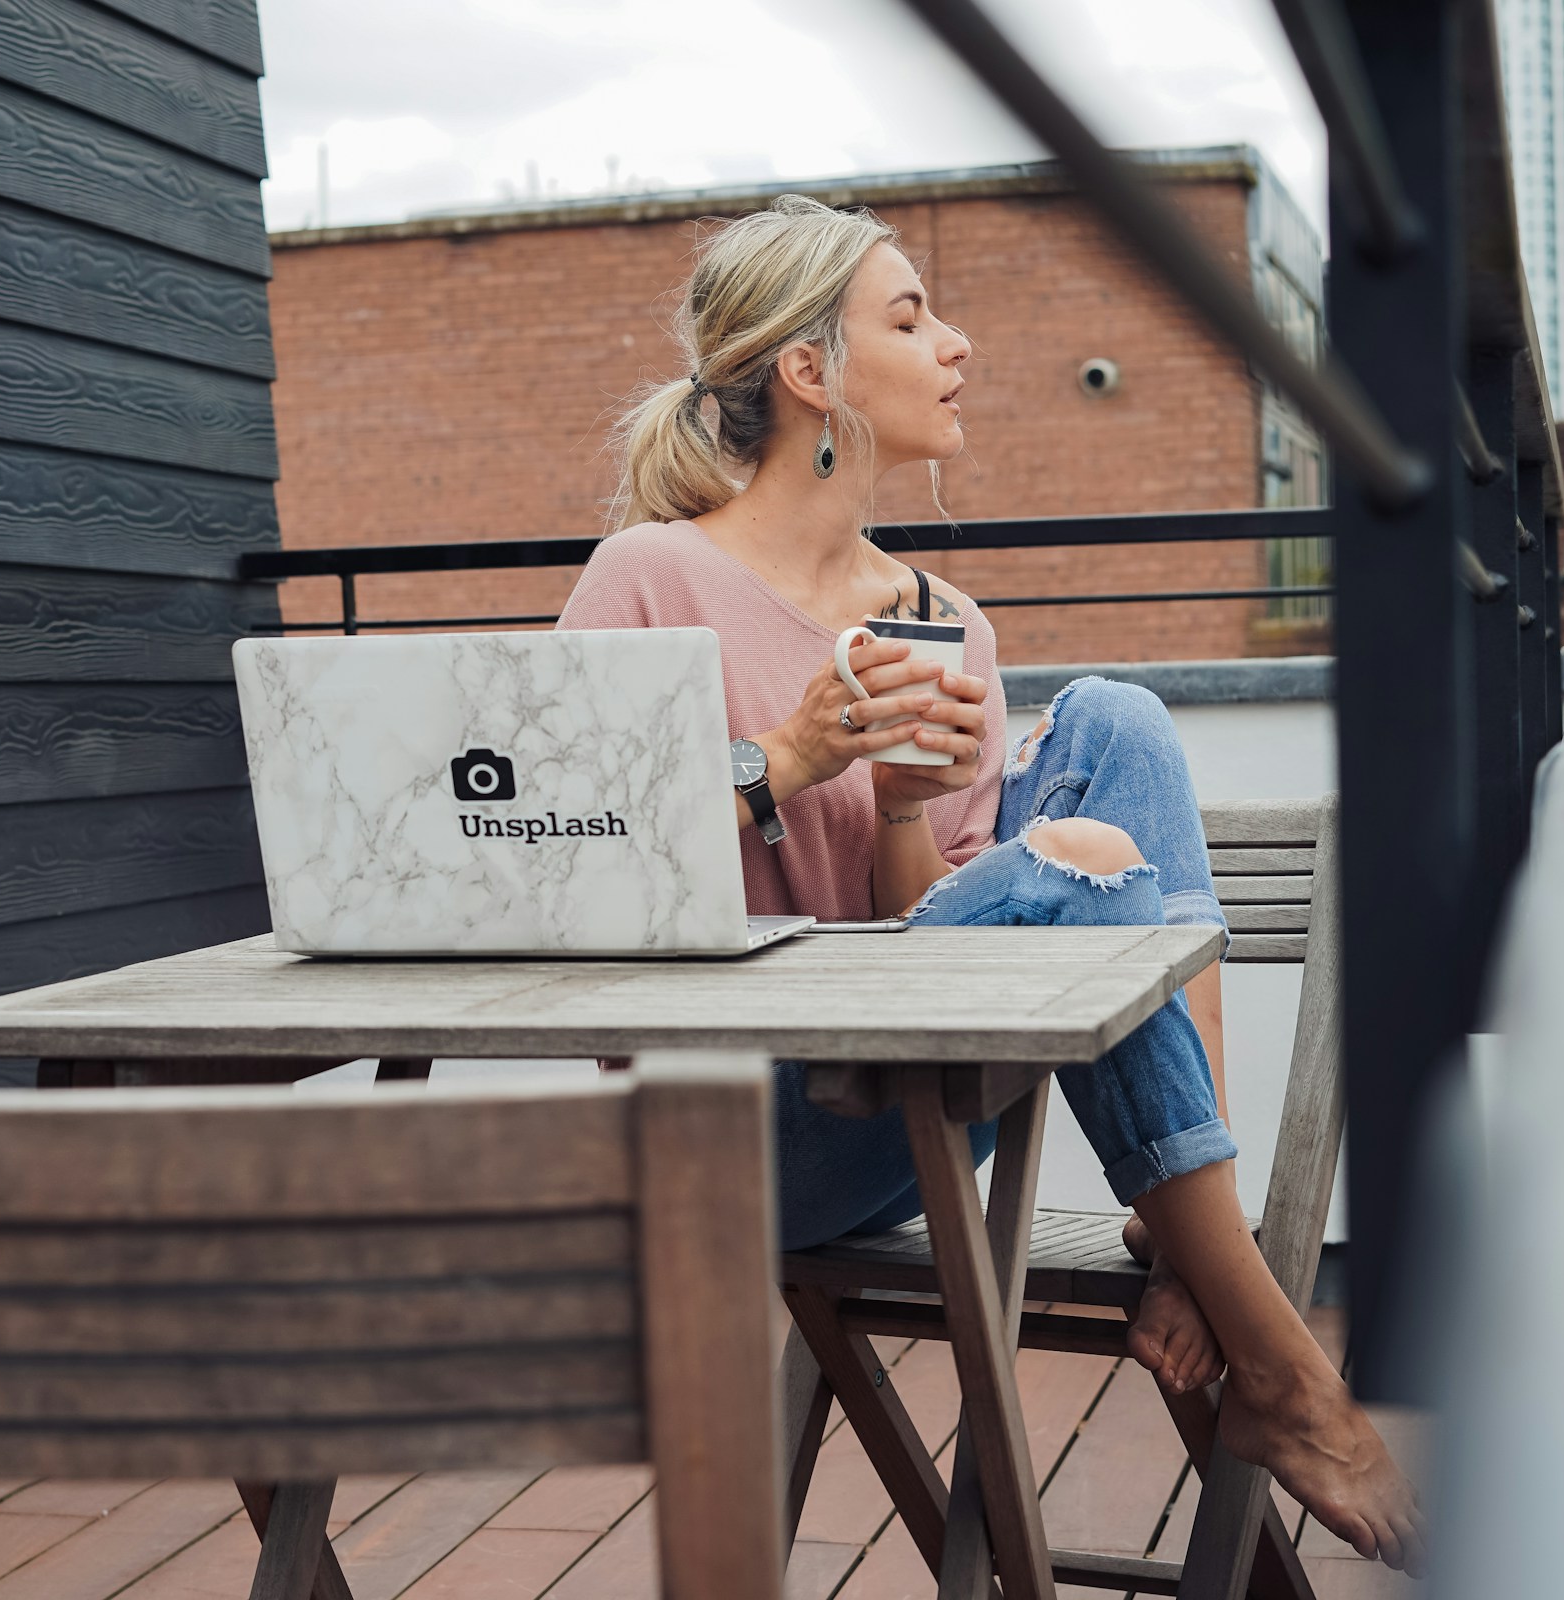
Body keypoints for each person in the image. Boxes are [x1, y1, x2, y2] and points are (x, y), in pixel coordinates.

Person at [556, 195, 1423, 1574]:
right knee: (1069, 866)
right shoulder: (650, 579)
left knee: (1121, 720)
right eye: (909, 318)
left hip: (914, 1098)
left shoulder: (943, 622)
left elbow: (935, 947)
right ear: (808, 371)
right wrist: (784, 760)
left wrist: (903, 807)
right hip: (733, 1127)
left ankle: (1179, 1224)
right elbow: (561, 858)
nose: (955, 345)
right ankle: (1278, 1359)